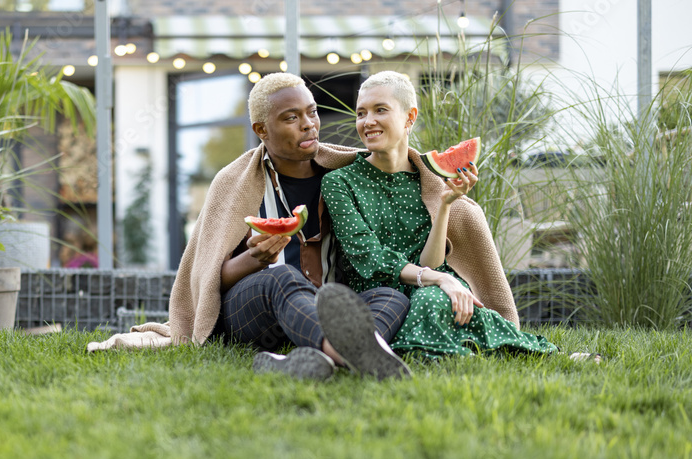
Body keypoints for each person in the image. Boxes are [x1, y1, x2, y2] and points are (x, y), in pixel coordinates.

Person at [167, 73, 412, 381]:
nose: (308, 123)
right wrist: (254, 260)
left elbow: (407, 170)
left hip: (321, 307)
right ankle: (343, 353)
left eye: (312, 111)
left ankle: (299, 360)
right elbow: (207, 282)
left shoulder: (346, 175)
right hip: (255, 314)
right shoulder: (234, 183)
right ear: (261, 130)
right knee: (281, 276)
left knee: (392, 296)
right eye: (291, 118)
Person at [321, 71, 558, 360]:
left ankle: (443, 352)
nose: (368, 121)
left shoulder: (428, 181)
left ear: (410, 117)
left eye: (380, 110)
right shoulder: (339, 182)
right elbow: (367, 257)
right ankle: (481, 351)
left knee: (433, 299)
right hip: (378, 294)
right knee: (434, 300)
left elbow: (430, 262)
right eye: (361, 113)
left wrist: (445, 204)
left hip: (429, 287)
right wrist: (441, 279)